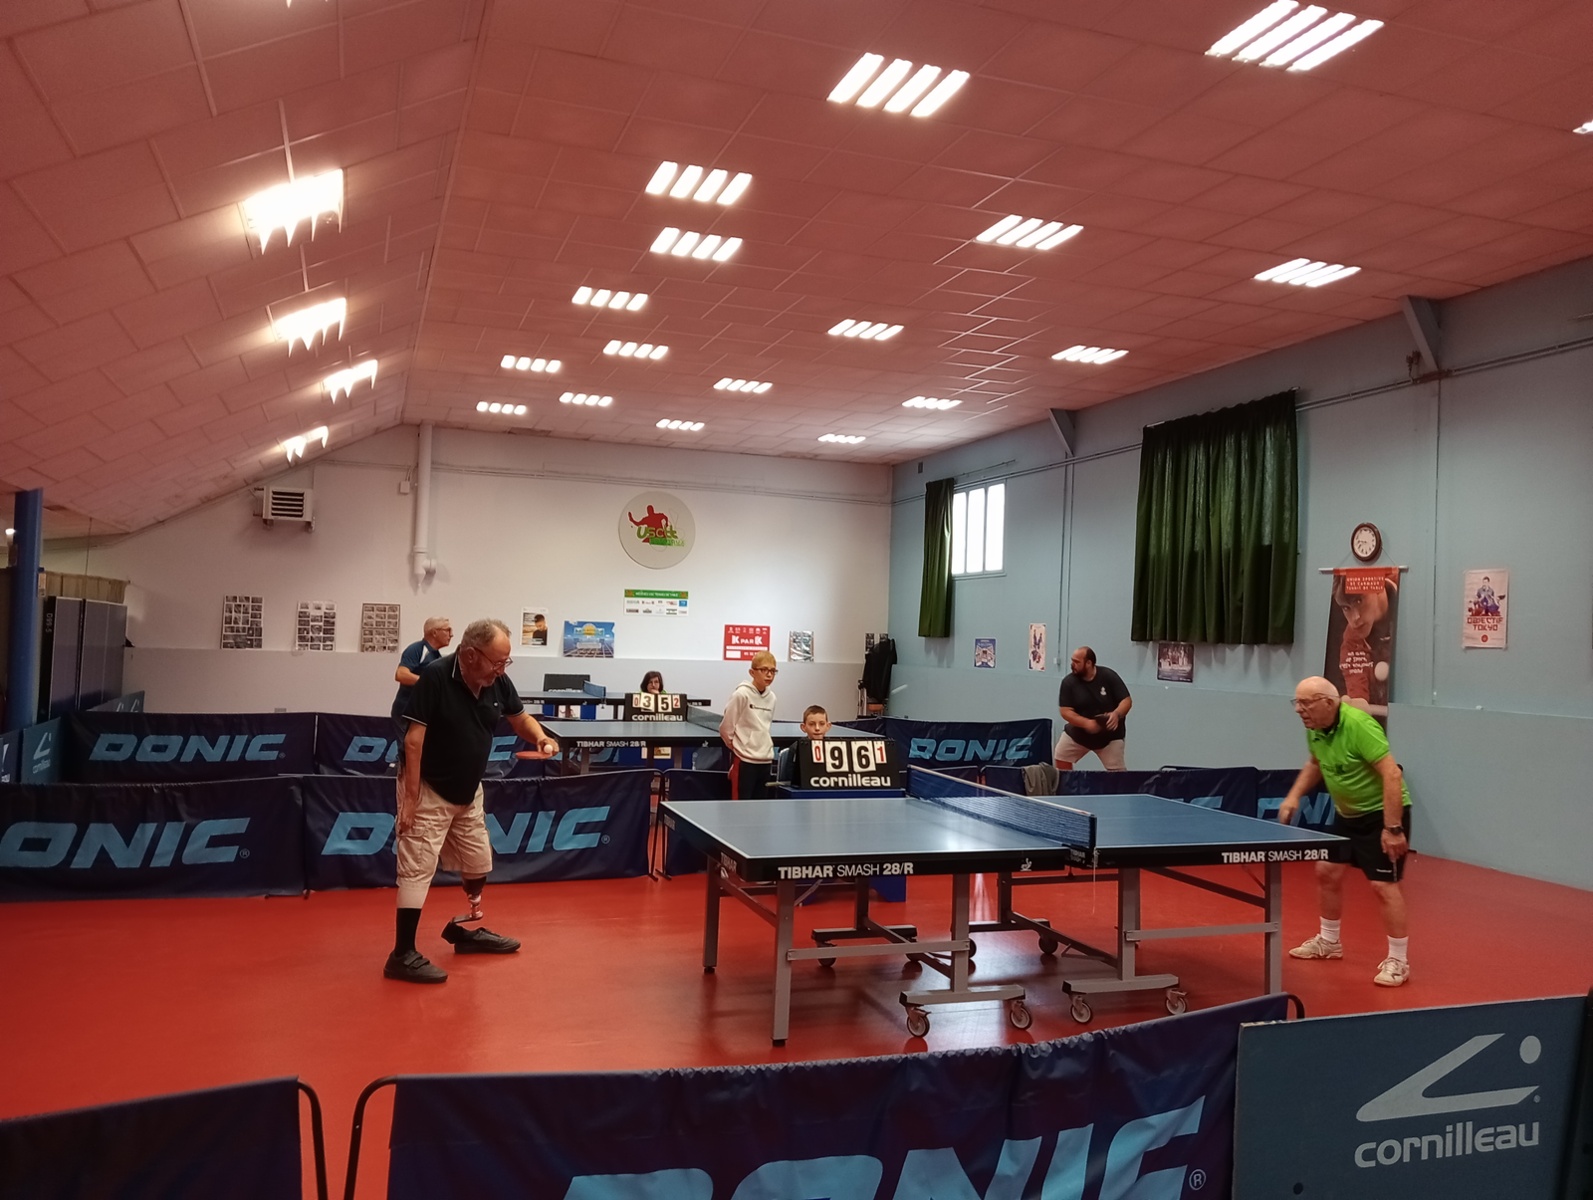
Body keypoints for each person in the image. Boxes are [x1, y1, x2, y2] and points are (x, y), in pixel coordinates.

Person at [385, 618, 560, 984]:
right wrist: (411, 799)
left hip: (468, 789)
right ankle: (401, 954)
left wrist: (541, 737)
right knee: (417, 868)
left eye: (505, 662)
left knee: (478, 862)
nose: (502, 669)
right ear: (469, 654)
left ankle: (466, 928)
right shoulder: (435, 677)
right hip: (428, 786)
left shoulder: (497, 682)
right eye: (497, 662)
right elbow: (413, 741)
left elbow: (520, 718)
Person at [1277, 676, 1413, 987]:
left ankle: (1399, 960)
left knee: (1383, 885)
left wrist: (1393, 828)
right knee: (1327, 870)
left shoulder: (1359, 726)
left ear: (1328, 702)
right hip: (1347, 814)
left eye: (1305, 703)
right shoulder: (1316, 727)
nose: (1299, 710)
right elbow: (1315, 763)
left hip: (1382, 814)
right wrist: (1294, 796)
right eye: (1297, 703)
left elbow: (1392, 774)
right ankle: (1329, 941)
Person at [1054, 646, 1132, 771]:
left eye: (1077, 662)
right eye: (1072, 661)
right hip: (1078, 733)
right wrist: (1086, 723)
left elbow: (1126, 701)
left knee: (1117, 774)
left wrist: (1116, 714)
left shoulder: (1108, 676)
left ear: (1089, 663)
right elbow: (1065, 711)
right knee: (1060, 757)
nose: (1072, 665)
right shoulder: (1068, 682)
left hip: (1110, 736)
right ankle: (1067, 783)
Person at [1329, 573, 1396, 715]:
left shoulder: (1407, 590)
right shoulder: (1351, 641)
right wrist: (1357, 703)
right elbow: (1358, 695)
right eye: (1346, 608)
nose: (1355, 618)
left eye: (1359, 601)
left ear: (1378, 587)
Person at [719, 651, 777, 798]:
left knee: (759, 807)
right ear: (752, 672)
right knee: (741, 806)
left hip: (765, 760)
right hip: (745, 760)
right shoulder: (741, 694)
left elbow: (765, 726)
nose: (769, 675)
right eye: (764, 670)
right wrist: (739, 747)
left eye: (772, 671)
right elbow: (726, 728)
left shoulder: (772, 698)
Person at [390, 616, 451, 727]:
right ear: (434, 632)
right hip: (407, 713)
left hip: (423, 714)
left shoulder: (437, 657)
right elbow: (401, 674)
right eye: (447, 630)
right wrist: (427, 682)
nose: (451, 634)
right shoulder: (416, 649)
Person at [776, 704, 831, 784]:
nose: (817, 728)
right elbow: (791, 778)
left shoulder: (833, 746)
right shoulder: (796, 748)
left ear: (828, 726)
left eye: (821, 724)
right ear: (803, 727)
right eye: (811, 724)